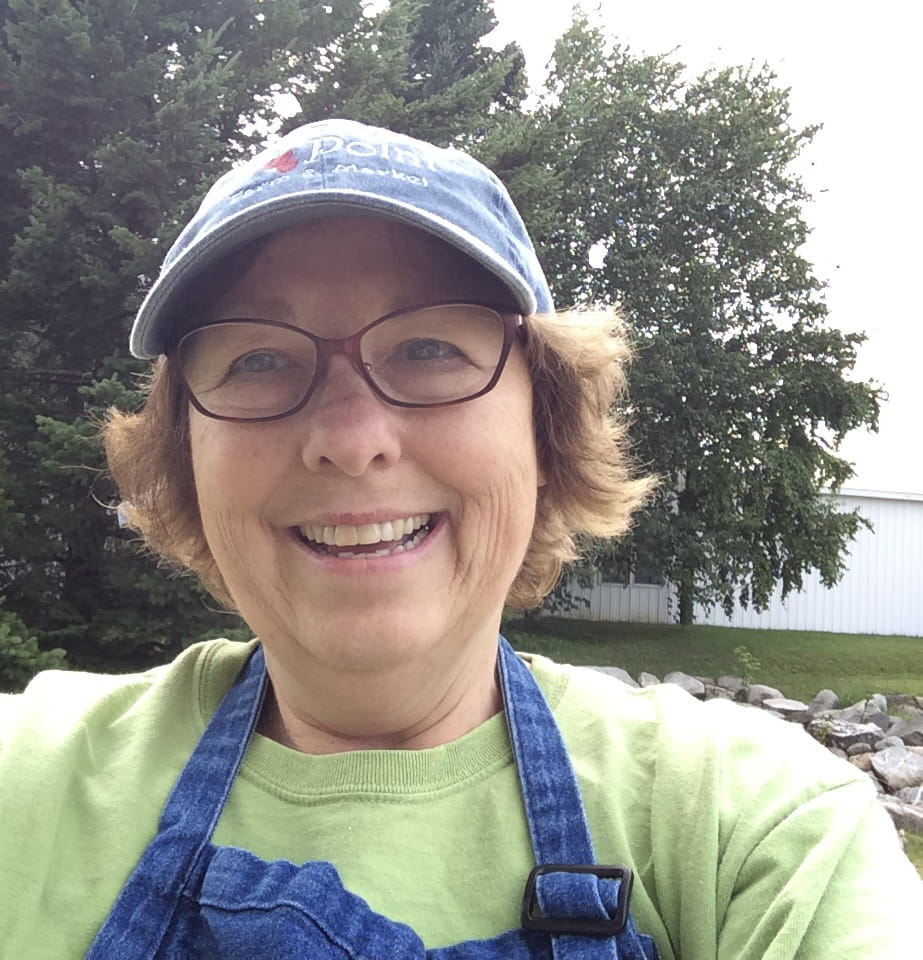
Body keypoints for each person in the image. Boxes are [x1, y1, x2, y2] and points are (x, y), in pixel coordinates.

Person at [0, 118, 920, 959]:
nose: (351, 440)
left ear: (545, 429)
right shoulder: (26, 782)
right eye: (258, 359)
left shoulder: (755, 827)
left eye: (431, 347)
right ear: (186, 456)